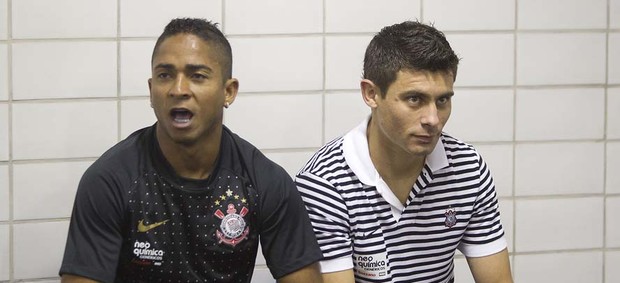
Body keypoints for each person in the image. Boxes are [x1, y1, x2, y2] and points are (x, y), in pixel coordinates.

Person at [59, 18, 323, 283]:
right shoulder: (111, 181)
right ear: (151, 91)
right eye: (165, 76)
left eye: (197, 76)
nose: (178, 89)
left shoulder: (263, 181)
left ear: (228, 92)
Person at [295, 21, 513, 283]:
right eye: (414, 99)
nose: (433, 119)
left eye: (442, 100)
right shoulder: (325, 183)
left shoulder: (468, 169)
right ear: (371, 93)